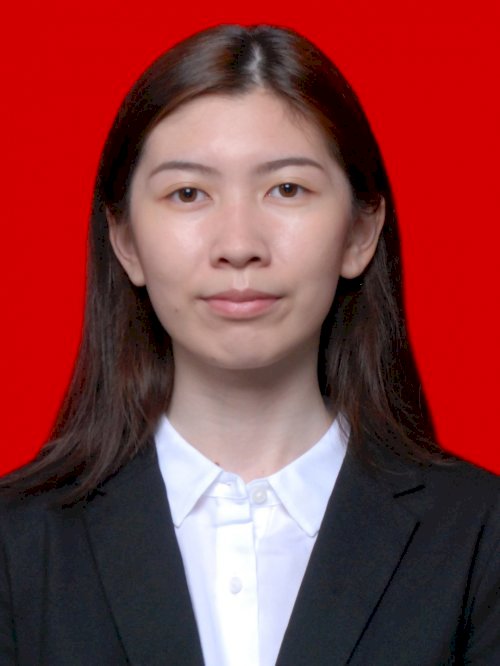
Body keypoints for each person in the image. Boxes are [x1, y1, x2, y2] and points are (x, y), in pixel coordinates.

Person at [0, 23, 498, 666]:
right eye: (188, 193)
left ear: (359, 233)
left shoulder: (481, 537)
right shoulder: (16, 544)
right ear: (126, 241)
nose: (238, 245)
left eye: (287, 189)